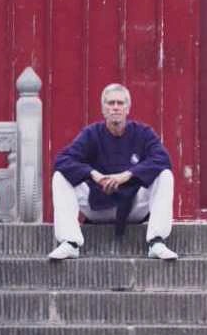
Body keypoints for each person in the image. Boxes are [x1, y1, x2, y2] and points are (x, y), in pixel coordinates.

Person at [49, 83, 178, 260]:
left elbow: (163, 159)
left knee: (165, 175)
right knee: (60, 176)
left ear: (127, 108)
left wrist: (127, 175)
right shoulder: (92, 134)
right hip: (97, 205)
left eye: (120, 103)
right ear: (103, 109)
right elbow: (62, 160)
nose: (115, 107)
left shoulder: (143, 133)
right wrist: (94, 175)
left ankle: (156, 241)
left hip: (133, 207)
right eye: (110, 103)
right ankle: (70, 242)